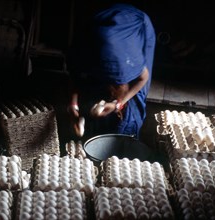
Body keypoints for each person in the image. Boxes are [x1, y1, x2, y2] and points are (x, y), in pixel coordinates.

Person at [67, 1, 156, 140]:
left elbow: (143, 78)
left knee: (132, 108)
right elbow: (75, 74)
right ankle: (95, 131)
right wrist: (73, 106)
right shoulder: (82, 54)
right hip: (100, 26)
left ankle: (126, 135)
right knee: (92, 92)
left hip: (136, 26)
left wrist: (118, 104)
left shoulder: (125, 64)